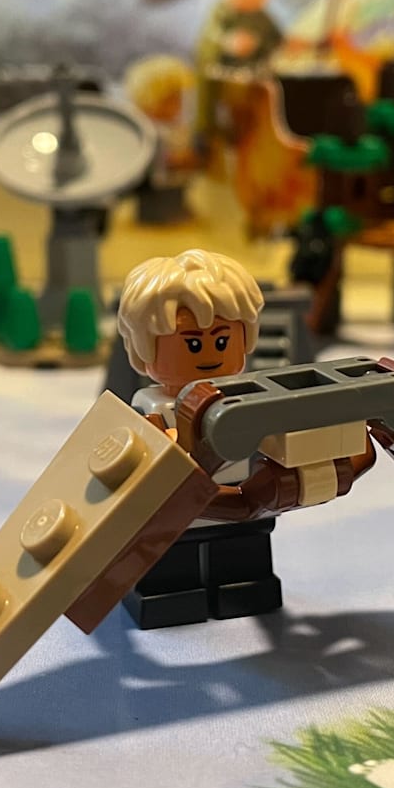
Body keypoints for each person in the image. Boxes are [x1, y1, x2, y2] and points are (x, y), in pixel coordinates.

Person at [115, 249, 283, 628]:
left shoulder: (247, 399)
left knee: (243, 565)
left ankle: (244, 590)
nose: (209, 354)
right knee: (170, 573)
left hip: (242, 505)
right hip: (174, 516)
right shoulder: (152, 407)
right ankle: (168, 599)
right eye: (192, 344)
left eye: (222, 341)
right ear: (143, 347)